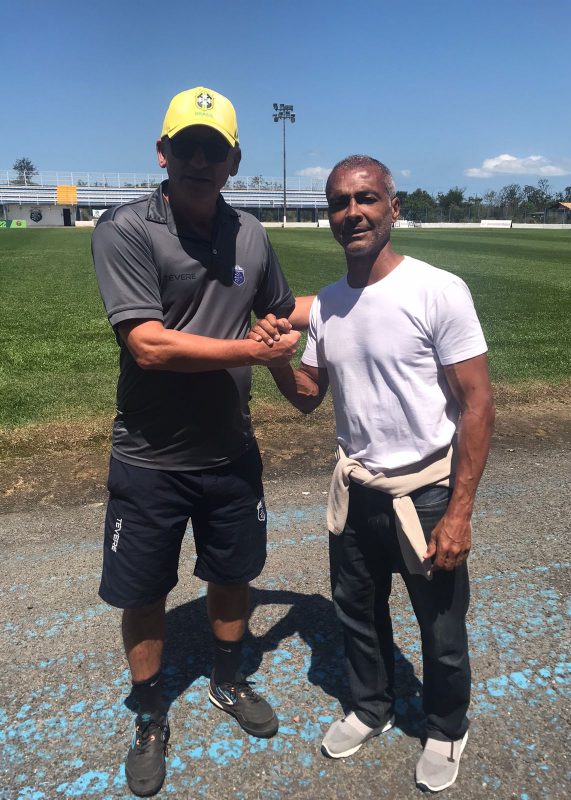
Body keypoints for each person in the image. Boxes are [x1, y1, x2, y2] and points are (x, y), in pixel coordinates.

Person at [249, 155, 495, 792]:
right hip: (357, 489)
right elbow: (310, 397)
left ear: (393, 207)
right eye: (339, 202)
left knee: (441, 626)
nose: (352, 212)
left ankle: (446, 726)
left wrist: (461, 511)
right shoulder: (329, 305)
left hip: (427, 493)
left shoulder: (437, 290)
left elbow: (476, 404)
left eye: (365, 199)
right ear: (329, 216)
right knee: (356, 613)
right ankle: (371, 706)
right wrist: (276, 363)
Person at [91, 85, 311, 797]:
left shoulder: (251, 234)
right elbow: (148, 345)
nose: (197, 160)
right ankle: (150, 713)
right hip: (150, 457)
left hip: (229, 451)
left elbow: (278, 311)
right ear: (163, 153)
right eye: (185, 146)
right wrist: (251, 351)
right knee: (144, 591)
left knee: (232, 572)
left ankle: (226, 679)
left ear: (233, 162)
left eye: (212, 151)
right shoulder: (126, 228)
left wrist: (295, 332)